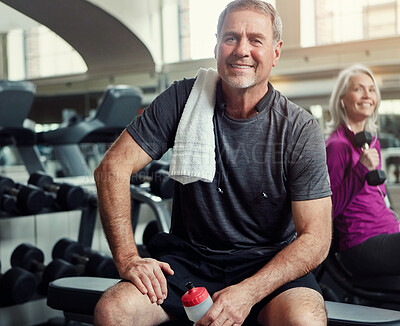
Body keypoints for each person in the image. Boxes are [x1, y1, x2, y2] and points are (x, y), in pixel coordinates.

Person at [93, 1, 332, 325]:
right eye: (231, 38)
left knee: (305, 319)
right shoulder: (182, 99)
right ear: (217, 44)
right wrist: (127, 259)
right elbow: (112, 169)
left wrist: (248, 292)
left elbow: (316, 239)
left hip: (268, 265)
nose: (241, 50)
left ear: (276, 52)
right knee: (114, 310)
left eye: (255, 40)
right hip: (190, 262)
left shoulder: (298, 128)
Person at [325, 64, 400, 277]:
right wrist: (360, 170)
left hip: (388, 232)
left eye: (372, 89)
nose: (367, 95)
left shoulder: (373, 143)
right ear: (342, 99)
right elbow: (327, 210)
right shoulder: (336, 146)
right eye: (358, 89)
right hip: (360, 243)